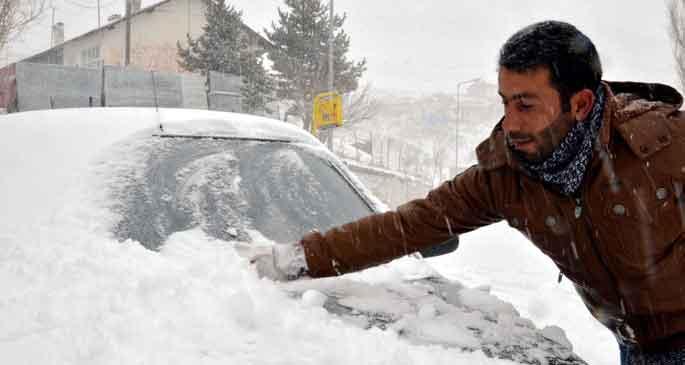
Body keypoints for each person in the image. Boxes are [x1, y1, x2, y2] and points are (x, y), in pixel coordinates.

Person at [250, 20, 685, 364]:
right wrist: (296, 260)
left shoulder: (664, 146)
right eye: (505, 102)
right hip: (634, 345)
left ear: (581, 104)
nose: (510, 123)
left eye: (526, 105)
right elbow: (408, 225)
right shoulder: (506, 176)